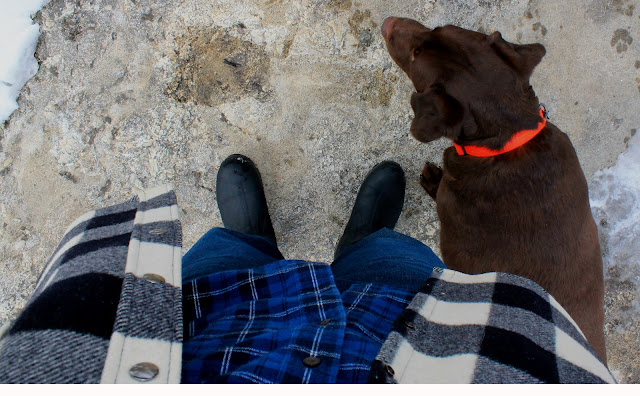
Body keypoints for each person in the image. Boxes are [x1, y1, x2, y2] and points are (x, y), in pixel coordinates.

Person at [0, 155, 615, 383]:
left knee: (224, 258)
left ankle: (251, 239)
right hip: (408, 340)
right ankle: (366, 240)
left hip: (205, 332)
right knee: (391, 260)